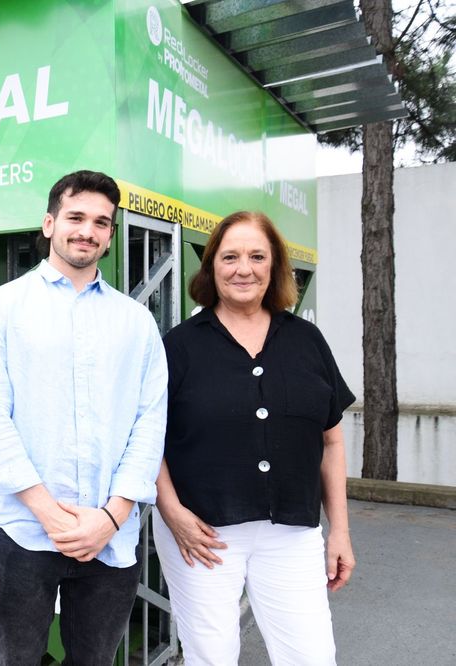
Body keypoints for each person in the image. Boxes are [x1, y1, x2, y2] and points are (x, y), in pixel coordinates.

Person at [0, 170, 168, 664]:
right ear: (49, 223)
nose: (87, 231)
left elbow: (150, 423)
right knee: (20, 658)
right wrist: (51, 515)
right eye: (76, 217)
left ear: (111, 235)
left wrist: (111, 517)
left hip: (109, 536)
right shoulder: (2, 308)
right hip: (24, 531)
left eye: (102, 222)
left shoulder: (136, 323)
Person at [152, 211, 356, 665]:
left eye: (256, 256)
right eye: (230, 256)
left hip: (291, 531)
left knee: (311, 655)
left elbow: (332, 442)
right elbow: (149, 440)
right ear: (210, 268)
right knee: (212, 655)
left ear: (275, 266)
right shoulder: (179, 346)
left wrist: (339, 531)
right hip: (201, 533)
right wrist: (171, 512)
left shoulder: (307, 340)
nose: (243, 268)